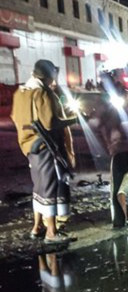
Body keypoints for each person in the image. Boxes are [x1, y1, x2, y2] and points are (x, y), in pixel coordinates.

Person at [10, 60, 79, 244]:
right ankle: (51, 232)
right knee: (51, 187)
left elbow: (14, 118)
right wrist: (74, 120)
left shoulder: (21, 92)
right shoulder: (44, 93)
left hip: (29, 146)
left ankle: (36, 227)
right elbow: (50, 123)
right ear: (49, 76)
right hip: (46, 147)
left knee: (39, 186)